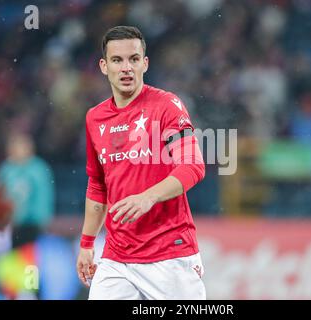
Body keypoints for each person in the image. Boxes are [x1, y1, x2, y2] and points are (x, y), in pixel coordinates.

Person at [76, 26, 206, 300]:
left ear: (145, 63)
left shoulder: (167, 106)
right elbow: (98, 185)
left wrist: (147, 197)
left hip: (169, 254)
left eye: (134, 59)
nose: (126, 68)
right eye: (117, 60)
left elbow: (193, 166)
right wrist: (87, 243)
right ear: (103, 66)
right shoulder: (94, 118)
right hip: (117, 258)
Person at [0, 132, 55, 248]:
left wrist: (40, 218)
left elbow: (43, 197)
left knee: (31, 258)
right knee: (14, 259)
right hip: (11, 224)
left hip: (33, 223)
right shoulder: (7, 169)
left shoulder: (38, 169)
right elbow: (0, 194)